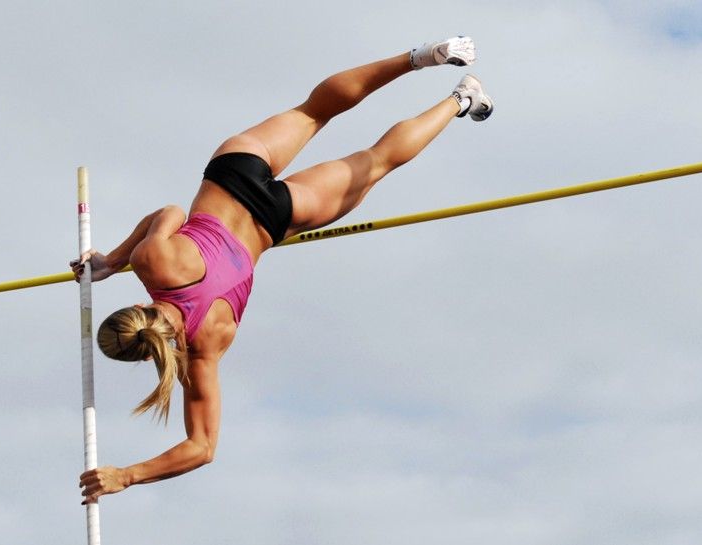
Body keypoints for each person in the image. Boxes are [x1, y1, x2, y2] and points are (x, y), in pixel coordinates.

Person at [71, 36, 493, 504]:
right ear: (135, 306)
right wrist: (115, 259)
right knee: (315, 110)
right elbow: (166, 213)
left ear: (150, 356)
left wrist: (126, 476)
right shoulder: (153, 264)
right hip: (232, 172)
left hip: (276, 217)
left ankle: (461, 98)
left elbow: (202, 448)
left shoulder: (203, 349)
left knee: (376, 162)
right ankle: (422, 56)